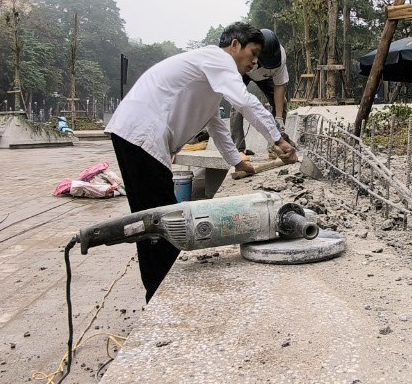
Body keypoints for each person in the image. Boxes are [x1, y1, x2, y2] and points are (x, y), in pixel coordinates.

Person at [106, 22, 298, 302]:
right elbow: (245, 102)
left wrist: (237, 162)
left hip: (135, 134)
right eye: (253, 52)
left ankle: (158, 289)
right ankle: (160, 295)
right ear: (234, 45)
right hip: (140, 134)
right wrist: (278, 140)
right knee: (160, 220)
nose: (255, 61)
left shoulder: (211, 76)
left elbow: (215, 125)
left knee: (156, 216)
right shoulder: (216, 59)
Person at [231, 28, 289, 156]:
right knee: (237, 104)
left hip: (265, 77)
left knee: (282, 104)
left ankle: (275, 146)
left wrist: (278, 117)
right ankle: (239, 149)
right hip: (245, 72)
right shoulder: (247, 55)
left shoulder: (280, 56)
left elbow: (279, 85)